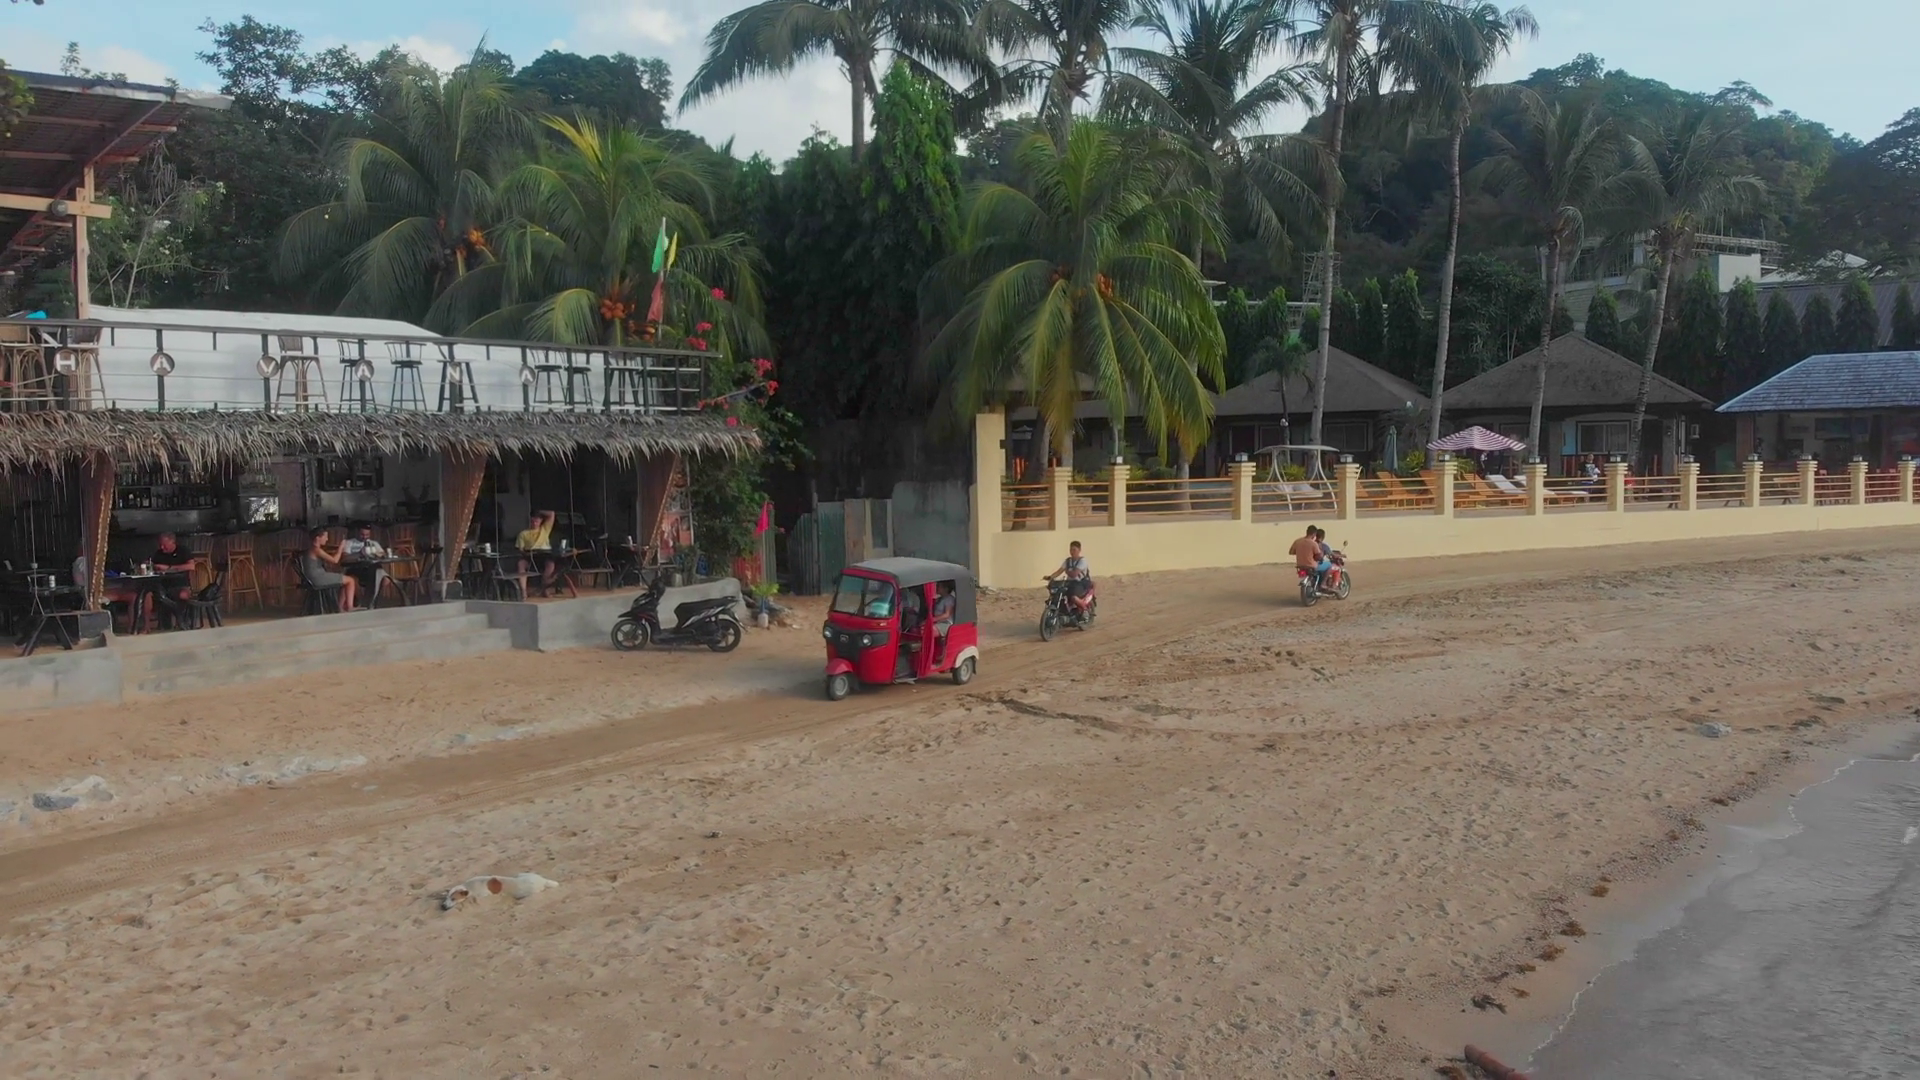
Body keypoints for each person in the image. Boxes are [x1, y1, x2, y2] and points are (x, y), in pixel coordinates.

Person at [301, 526, 358, 612]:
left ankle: (340, 607)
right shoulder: (316, 550)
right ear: (318, 538)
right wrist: (341, 548)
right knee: (351, 580)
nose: (327, 539)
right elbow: (335, 560)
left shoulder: (312, 549)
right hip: (317, 578)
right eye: (325, 537)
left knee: (345, 580)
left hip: (312, 577)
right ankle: (349, 606)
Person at [341, 523, 388, 602]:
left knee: (385, 579)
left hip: (372, 567)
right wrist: (359, 553)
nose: (365, 537)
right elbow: (345, 558)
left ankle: (372, 599)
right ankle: (363, 600)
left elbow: (383, 554)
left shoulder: (374, 543)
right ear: (357, 532)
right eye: (362, 534)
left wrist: (377, 554)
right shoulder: (350, 542)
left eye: (367, 535)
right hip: (356, 568)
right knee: (354, 579)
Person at [516, 509, 560, 592]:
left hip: (545, 555)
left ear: (541, 521)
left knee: (550, 564)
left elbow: (551, 514)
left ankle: (543, 588)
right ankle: (523, 591)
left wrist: (539, 512)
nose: (534, 523)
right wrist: (526, 553)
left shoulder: (545, 529)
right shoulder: (523, 534)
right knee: (521, 564)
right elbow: (521, 549)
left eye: (536, 521)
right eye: (532, 521)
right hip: (531, 556)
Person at [1043, 540, 1092, 606]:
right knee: (1058, 592)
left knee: (1073, 596)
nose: (1072, 552)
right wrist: (1050, 577)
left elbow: (1074, 574)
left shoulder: (1082, 561)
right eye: (1071, 550)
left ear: (1079, 550)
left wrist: (1066, 571)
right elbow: (1059, 571)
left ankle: (1083, 606)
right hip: (1069, 582)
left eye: (1074, 550)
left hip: (1080, 583)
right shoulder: (1068, 561)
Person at [152, 532, 196, 603]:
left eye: (164, 545)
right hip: (162, 585)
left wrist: (169, 568)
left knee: (182, 595)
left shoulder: (183, 550)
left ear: (172, 542)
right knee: (147, 594)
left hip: (180, 584)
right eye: (160, 545)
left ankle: (181, 610)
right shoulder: (158, 554)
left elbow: (191, 566)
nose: (162, 547)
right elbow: (152, 566)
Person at [1290, 524, 1329, 591]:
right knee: (1329, 565)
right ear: (1314, 534)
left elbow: (1291, 552)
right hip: (1311, 565)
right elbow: (1319, 556)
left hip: (1300, 565)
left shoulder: (1297, 541)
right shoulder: (1313, 544)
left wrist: (1301, 552)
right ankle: (1323, 583)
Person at [931, 580, 956, 663]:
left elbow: (947, 615)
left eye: (939, 586)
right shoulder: (940, 599)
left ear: (946, 588)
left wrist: (932, 620)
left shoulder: (949, 599)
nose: (937, 588)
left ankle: (931, 655)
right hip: (938, 623)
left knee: (929, 631)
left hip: (946, 624)